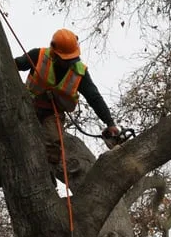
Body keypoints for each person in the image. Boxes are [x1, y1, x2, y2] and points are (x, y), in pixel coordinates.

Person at [7, 29, 120, 185]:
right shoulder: (38, 55)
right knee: (12, 135)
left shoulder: (79, 72)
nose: (70, 62)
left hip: (52, 113)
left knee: (53, 141)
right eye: (66, 59)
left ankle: (47, 174)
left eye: (73, 58)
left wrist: (109, 122)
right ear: (55, 53)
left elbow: (94, 97)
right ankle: (0, 167)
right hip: (28, 105)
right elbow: (13, 66)